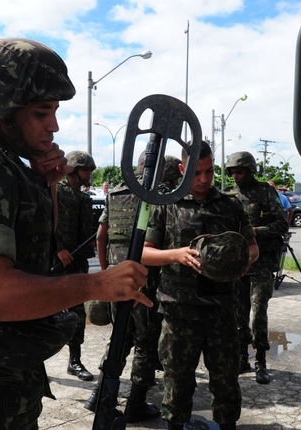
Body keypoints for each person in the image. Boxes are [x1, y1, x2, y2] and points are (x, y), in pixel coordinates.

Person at [0, 37, 151, 430]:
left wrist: (47, 185)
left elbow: (29, 246)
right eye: (41, 112)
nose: (53, 125)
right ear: (2, 112)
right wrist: (96, 284)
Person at [141, 142, 259, 430]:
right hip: (180, 312)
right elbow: (144, 252)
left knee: (226, 382)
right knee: (177, 382)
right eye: (196, 173)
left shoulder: (230, 205)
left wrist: (244, 261)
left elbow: (252, 246)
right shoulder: (165, 205)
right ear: (183, 169)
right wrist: (176, 254)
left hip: (221, 311)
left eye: (208, 171)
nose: (204, 179)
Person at [85, 152, 170, 422]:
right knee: (145, 342)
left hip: (115, 280)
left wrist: (107, 271)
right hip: (144, 282)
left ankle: (97, 396)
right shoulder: (160, 198)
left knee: (119, 338)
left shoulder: (117, 194)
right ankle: (136, 403)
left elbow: (101, 235)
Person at [228, 152, 290, 384]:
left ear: (250, 171)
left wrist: (257, 231)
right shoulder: (230, 196)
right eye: (232, 172)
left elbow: (282, 224)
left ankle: (261, 361)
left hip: (262, 263)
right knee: (239, 313)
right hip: (238, 264)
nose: (235, 176)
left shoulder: (266, 192)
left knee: (258, 311)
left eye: (239, 172)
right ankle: (242, 358)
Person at [54, 150, 97, 381]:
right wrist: (58, 248)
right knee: (44, 313)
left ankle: (74, 361)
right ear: (72, 170)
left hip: (78, 263)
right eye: (85, 169)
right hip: (57, 263)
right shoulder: (56, 193)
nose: (89, 173)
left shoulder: (84, 198)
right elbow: (47, 223)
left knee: (77, 314)